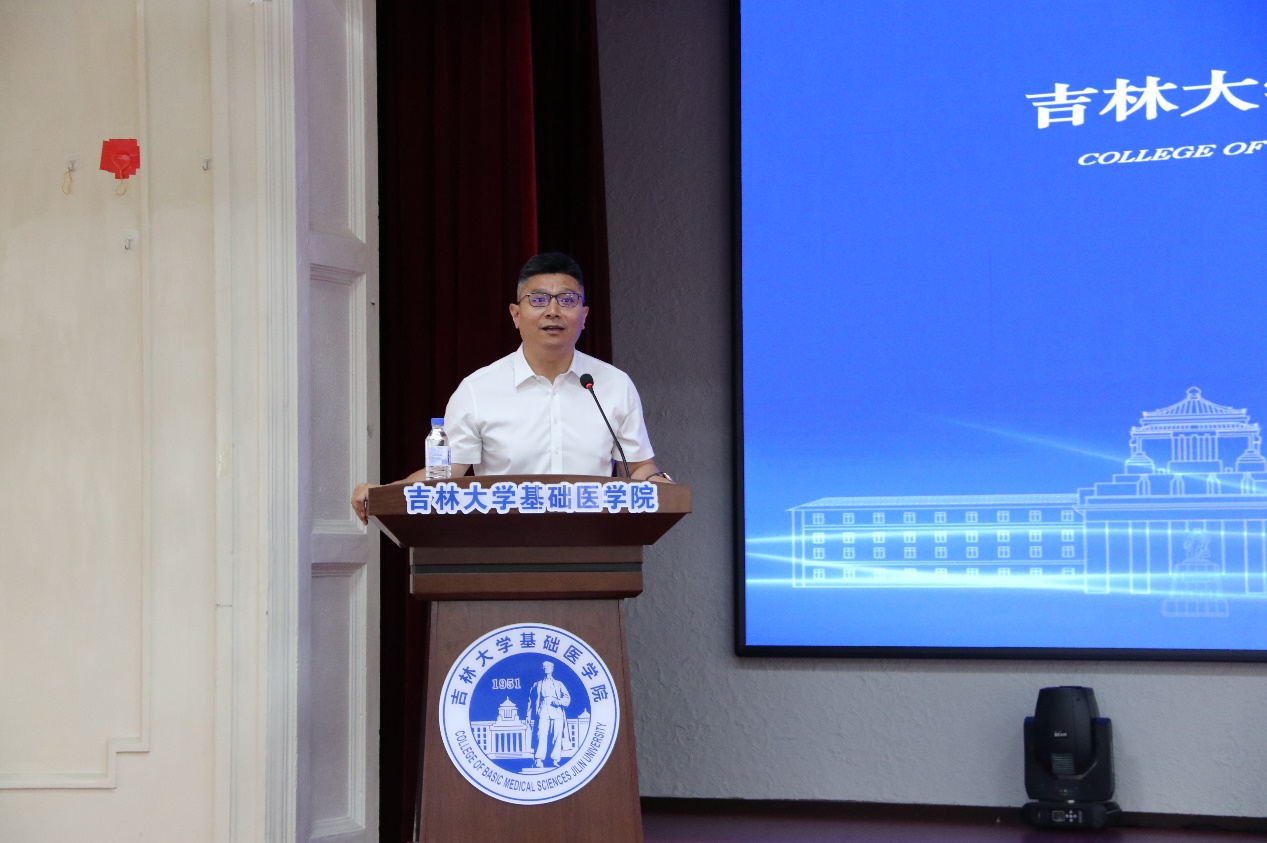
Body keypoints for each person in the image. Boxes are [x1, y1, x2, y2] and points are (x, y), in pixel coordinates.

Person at [352, 252, 672, 524]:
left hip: (597, 546)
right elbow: (444, 475)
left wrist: (659, 482)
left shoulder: (613, 385)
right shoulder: (478, 390)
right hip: (503, 546)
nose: (553, 311)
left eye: (567, 300)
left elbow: (637, 468)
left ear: (584, 315)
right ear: (516, 315)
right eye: (538, 300)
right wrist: (386, 493)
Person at [527, 660, 571, 768]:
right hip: (543, 709)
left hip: (557, 710)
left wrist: (559, 702)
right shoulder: (537, 684)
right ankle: (538, 759)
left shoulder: (559, 683)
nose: (546, 668)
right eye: (544, 666)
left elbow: (567, 697)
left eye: (548, 666)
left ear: (552, 669)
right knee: (541, 734)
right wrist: (528, 715)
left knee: (557, 735)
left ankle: (555, 760)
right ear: (541, 669)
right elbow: (531, 701)